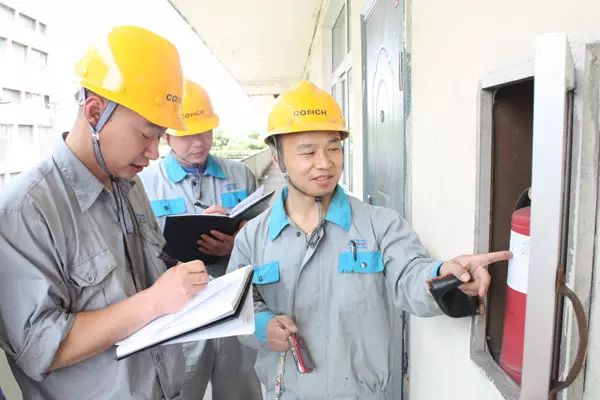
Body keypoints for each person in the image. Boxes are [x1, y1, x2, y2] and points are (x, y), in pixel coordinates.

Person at [227, 80, 512, 399]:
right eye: (308, 151)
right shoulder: (252, 238)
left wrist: (446, 275)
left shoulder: (379, 225)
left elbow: (411, 274)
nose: (325, 162)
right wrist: (263, 326)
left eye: (333, 148)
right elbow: (239, 306)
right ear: (277, 159)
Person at [0, 26, 208, 400]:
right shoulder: (25, 210)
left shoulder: (129, 183)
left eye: (159, 136)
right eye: (146, 134)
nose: (154, 152)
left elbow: (150, 270)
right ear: (95, 111)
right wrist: (152, 302)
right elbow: (37, 347)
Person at [140, 79, 262, 399]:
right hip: (181, 310)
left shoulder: (240, 175)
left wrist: (237, 244)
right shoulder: (143, 184)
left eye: (205, 132)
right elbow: (139, 251)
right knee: (183, 388)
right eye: (187, 135)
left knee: (240, 388)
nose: (198, 142)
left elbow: (262, 237)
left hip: (236, 301)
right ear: (166, 136)